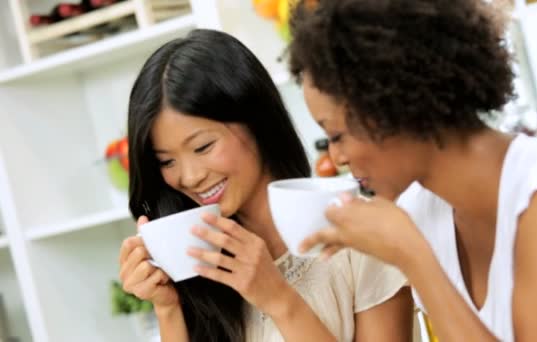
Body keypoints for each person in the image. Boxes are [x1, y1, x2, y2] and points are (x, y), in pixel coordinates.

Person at [289, 1, 537, 341]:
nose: (336, 158)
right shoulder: (421, 210)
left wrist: (413, 257)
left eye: (337, 135)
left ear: (395, 103)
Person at [118, 29, 411, 342]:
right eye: (166, 161)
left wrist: (279, 300)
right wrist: (168, 309)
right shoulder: (195, 263)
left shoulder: (360, 234)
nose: (189, 177)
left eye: (203, 147)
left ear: (257, 122)